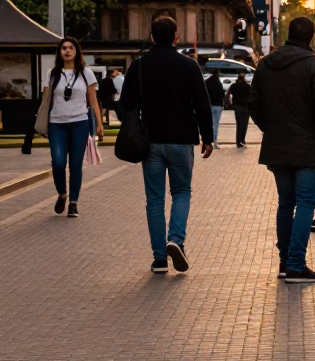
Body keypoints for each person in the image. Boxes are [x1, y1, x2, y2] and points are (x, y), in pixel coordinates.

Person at [118, 17, 214, 274]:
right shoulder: (189, 66)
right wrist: (207, 137)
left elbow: (124, 106)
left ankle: (160, 258)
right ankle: (176, 240)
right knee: (181, 192)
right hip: (182, 140)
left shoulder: (138, 66)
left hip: (150, 141)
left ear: (151, 37)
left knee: (154, 199)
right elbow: (202, 105)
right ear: (176, 37)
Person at [249, 17, 315, 283]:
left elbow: (253, 104)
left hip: (278, 145)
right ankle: (296, 265)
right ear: (311, 38)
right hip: (307, 146)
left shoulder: (266, 64)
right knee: (305, 204)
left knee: (285, 203)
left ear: (288, 34)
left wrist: (272, 128)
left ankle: (284, 261)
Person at [40, 37, 104, 218]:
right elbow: (46, 101)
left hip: (80, 123)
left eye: (70, 48)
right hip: (56, 124)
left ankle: (73, 203)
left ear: (76, 51)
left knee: (76, 165)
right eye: (63, 48)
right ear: (59, 52)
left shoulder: (86, 73)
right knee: (58, 163)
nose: (67, 51)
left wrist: (99, 123)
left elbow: (93, 100)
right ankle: (62, 193)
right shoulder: (52, 73)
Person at [228, 70, 252, 148]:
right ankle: (242, 140)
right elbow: (252, 96)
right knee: (244, 125)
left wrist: (230, 104)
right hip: (245, 107)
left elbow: (227, 95)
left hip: (237, 107)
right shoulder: (248, 86)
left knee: (239, 124)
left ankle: (238, 141)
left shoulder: (234, 86)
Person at [205, 68, 225, 149]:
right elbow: (221, 93)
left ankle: (208, 140)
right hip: (217, 105)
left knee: (209, 123)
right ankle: (214, 141)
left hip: (209, 105)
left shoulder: (207, 82)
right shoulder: (218, 83)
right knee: (215, 124)